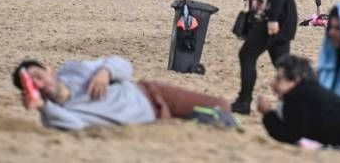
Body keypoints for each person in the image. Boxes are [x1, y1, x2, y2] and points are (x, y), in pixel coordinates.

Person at [14, 55, 231, 130]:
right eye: (31, 83)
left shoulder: (73, 70)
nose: (38, 81)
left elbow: (124, 65)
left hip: (152, 93)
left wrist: (105, 72)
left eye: (37, 74)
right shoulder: (54, 115)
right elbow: (75, 126)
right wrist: (43, 106)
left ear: (49, 69)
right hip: (153, 122)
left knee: (221, 105)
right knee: (209, 124)